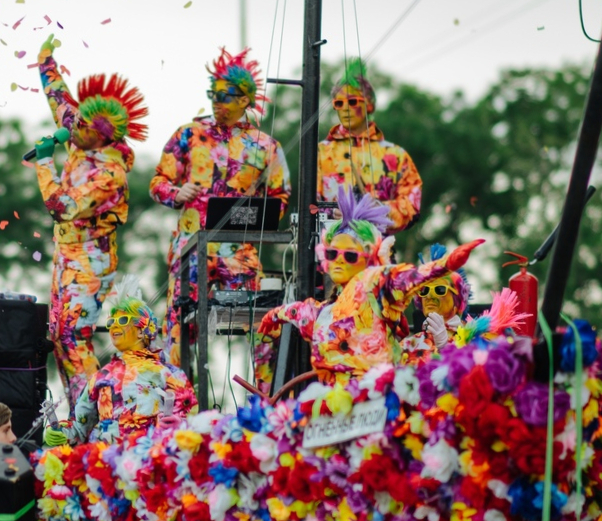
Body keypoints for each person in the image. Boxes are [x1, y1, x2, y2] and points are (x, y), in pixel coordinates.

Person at [150, 47, 291, 365]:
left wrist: (247, 215)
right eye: (212, 93)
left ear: (245, 99)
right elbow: (157, 183)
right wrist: (176, 192)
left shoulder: (266, 146)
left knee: (262, 321)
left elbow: (281, 198)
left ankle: (265, 403)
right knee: (178, 326)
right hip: (191, 247)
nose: (216, 100)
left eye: (225, 94)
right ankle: (179, 406)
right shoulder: (188, 134)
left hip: (238, 248)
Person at [258, 188, 482, 384]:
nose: (340, 261)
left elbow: (412, 276)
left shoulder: (377, 287)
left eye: (351, 256)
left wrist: (447, 263)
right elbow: (295, 312)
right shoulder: (321, 312)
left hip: (374, 405)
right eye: (333, 253)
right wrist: (274, 316)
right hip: (332, 410)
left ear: (369, 256)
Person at [32, 34, 149, 406]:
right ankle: (77, 412)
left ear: (103, 138)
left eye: (82, 126)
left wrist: (44, 163)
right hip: (65, 254)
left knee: (73, 335)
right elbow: (59, 99)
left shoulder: (110, 175)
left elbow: (60, 205)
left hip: (90, 260)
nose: (74, 126)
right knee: (58, 336)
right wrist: (45, 61)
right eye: (76, 121)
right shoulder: (80, 135)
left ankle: (93, 414)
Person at [47, 296, 196, 446]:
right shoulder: (100, 376)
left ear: (142, 330)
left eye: (123, 320)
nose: (113, 327)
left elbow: (192, 421)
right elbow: (80, 428)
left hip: (149, 458)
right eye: (111, 322)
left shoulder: (169, 374)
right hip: (105, 460)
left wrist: (179, 426)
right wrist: (58, 432)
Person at [317, 59, 422, 235]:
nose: (345, 109)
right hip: (331, 254)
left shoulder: (395, 155)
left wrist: (378, 210)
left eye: (352, 102)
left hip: (379, 253)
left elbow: (411, 205)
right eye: (339, 103)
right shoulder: (320, 152)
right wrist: (332, 213)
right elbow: (307, 206)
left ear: (370, 104)